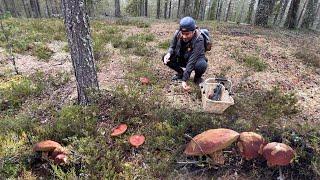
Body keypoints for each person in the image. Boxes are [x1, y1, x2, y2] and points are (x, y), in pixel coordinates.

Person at [162, 16, 208, 90]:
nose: (184, 36)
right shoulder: (177, 33)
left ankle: (197, 78)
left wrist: (184, 80)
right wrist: (169, 54)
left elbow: (192, 60)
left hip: (194, 60)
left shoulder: (199, 39)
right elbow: (172, 47)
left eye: (187, 34)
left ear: (193, 31)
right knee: (165, 57)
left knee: (202, 65)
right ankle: (181, 73)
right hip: (182, 57)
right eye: (183, 33)